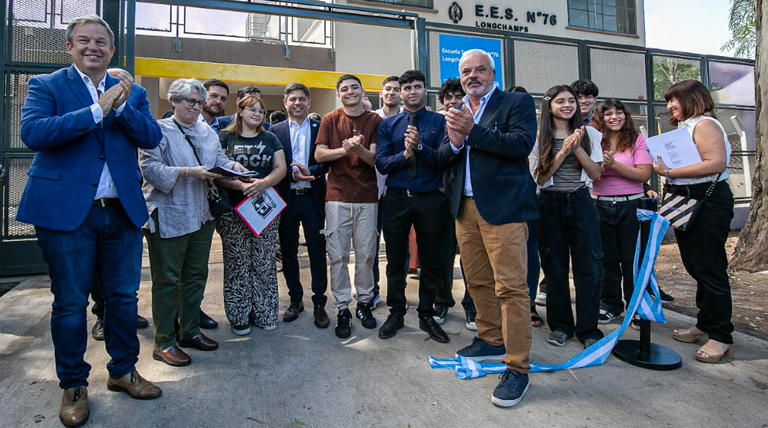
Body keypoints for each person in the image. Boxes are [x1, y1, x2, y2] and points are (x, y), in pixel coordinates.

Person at [18, 15, 163, 427]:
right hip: (66, 216)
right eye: (84, 41)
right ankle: (73, 385)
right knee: (69, 305)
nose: (93, 47)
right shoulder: (47, 86)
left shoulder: (128, 92)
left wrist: (121, 107)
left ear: (112, 50)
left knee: (122, 299)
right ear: (70, 47)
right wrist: (95, 111)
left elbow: (151, 137)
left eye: (101, 42)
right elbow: (34, 133)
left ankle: (122, 371)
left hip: (120, 212)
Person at [439, 49, 538, 407]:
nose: (473, 75)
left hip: (505, 210)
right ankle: (490, 337)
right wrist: (454, 140)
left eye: (480, 69)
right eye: (466, 71)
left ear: (492, 72)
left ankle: (517, 366)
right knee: (477, 281)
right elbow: (443, 155)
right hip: (465, 209)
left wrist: (473, 131)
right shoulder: (457, 109)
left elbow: (520, 145)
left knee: (511, 288)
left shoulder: (515, 103)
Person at [140, 78, 248, 366]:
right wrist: (189, 171)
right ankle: (164, 340)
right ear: (174, 101)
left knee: (196, 277)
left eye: (200, 103)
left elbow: (219, 160)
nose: (196, 107)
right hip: (169, 213)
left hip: (202, 214)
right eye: (190, 101)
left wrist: (237, 168)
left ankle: (189, 331)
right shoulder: (157, 131)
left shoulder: (206, 131)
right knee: (167, 280)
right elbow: (150, 169)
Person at [653, 80, 735, 363]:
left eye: (673, 100)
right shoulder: (685, 127)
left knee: (710, 268)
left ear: (691, 99)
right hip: (688, 198)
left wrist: (670, 171)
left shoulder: (705, 125)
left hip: (708, 201)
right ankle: (704, 323)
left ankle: (722, 336)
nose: (669, 106)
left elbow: (716, 162)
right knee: (695, 265)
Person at [375, 70, 450, 343]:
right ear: (400, 92)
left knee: (431, 260)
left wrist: (420, 149)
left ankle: (427, 314)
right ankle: (396, 312)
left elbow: (444, 159)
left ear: (424, 90)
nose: (412, 91)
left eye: (417, 86)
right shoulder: (388, 125)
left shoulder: (438, 123)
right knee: (395, 260)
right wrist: (405, 154)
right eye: (407, 88)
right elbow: (382, 163)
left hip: (430, 198)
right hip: (396, 197)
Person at [530, 85, 604, 349]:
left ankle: (589, 328)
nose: (567, 105)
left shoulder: (591, 133)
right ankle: (561, 326)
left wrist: (578, 148)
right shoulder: (539, 137)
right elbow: (540, 177)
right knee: (555, 268)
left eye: (571, 100)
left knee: (589, 268)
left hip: (581, 201)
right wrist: (562, 152)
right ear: (548, 106)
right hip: (550, 204)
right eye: (560, 101)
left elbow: (596, 174)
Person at [315, 74, 382, 339]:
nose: (350, 91)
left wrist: (358, 150)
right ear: (338, 94)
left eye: (354, 87)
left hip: (367, 197)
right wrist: (344, 150)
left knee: (366, 254)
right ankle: (342, 307)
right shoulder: (330, 119)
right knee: (338, 256)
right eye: (344, 89)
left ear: (363, 91)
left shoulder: (374, 120)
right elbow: (320, 155)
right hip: (337, 198)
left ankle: (364, 303)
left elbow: (375, 160)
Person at [216, 95, 287, 334]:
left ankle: (265, 312)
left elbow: (280, 168)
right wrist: (240, 186)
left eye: (261, 111)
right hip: (232, 211)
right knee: (237, 263)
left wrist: (263, 184)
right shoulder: (225, 138)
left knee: (264, 262)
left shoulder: (270, 138)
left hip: (263, 210)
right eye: (252, 109)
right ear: (240, 111)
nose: (257, 114)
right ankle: (239, 315)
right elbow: (216, 172)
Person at [271, 83, 330, 328]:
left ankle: (319, 302)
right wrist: (291, 175)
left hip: (312, 197)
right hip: (286, 199)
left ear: (309, 102)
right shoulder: (274, 130)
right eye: (293, 99)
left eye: (302, 99)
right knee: (288, 251)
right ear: (285, 103)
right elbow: (271, 166)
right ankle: (295, 299)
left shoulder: (321, 128)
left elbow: (327, 163)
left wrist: (309, 172)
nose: (297, 103)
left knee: (317, 251)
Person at [588, 99, 652, 324]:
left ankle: (635, 307)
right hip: (599, 204)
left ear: (626, 116)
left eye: (619, 113)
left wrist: (614, 165)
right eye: (608, 114)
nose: (614, 117)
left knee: (632, 259)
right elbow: (590, 174)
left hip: (631, 205)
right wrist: (600, 166)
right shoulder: (595, 141)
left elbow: (643, 175)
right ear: (601, 118)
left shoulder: (637, 140)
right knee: (607, 259)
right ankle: (610, 304)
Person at [434, 78, 477, 330]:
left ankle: (472, 305)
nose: (453, 100)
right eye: (448, 97)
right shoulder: (439, 124)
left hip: (471, 199)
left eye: (457, 95)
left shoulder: (477, 120)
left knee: (471, 258)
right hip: (444, 197)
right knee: (443, 255)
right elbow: (437, 158)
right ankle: (442, 301)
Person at [372, 76, 403, 307]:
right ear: (381, 94)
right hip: (371, 192)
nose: (392, 93)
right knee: (370, 246)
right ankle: (371, 291)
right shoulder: (372, 119)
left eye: (396, 89)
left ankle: (398, 295)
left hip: (397, 193)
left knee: (397, 249)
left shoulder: (408, 119)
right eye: (388, 89)